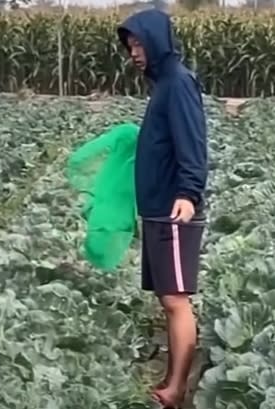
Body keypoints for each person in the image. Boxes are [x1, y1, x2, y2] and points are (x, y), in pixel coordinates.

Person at [117, 9, 208, 409]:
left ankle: (175, 390)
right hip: (157, 208)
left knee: (176, 299)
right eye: (130, 45)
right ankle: (173, 379)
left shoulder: (179, 83)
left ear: (158, 39)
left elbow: (193, 144)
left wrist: (188, 194)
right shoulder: (164, 85)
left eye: (140, 43)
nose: (135, 52)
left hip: (174, 208)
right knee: (167, 298)